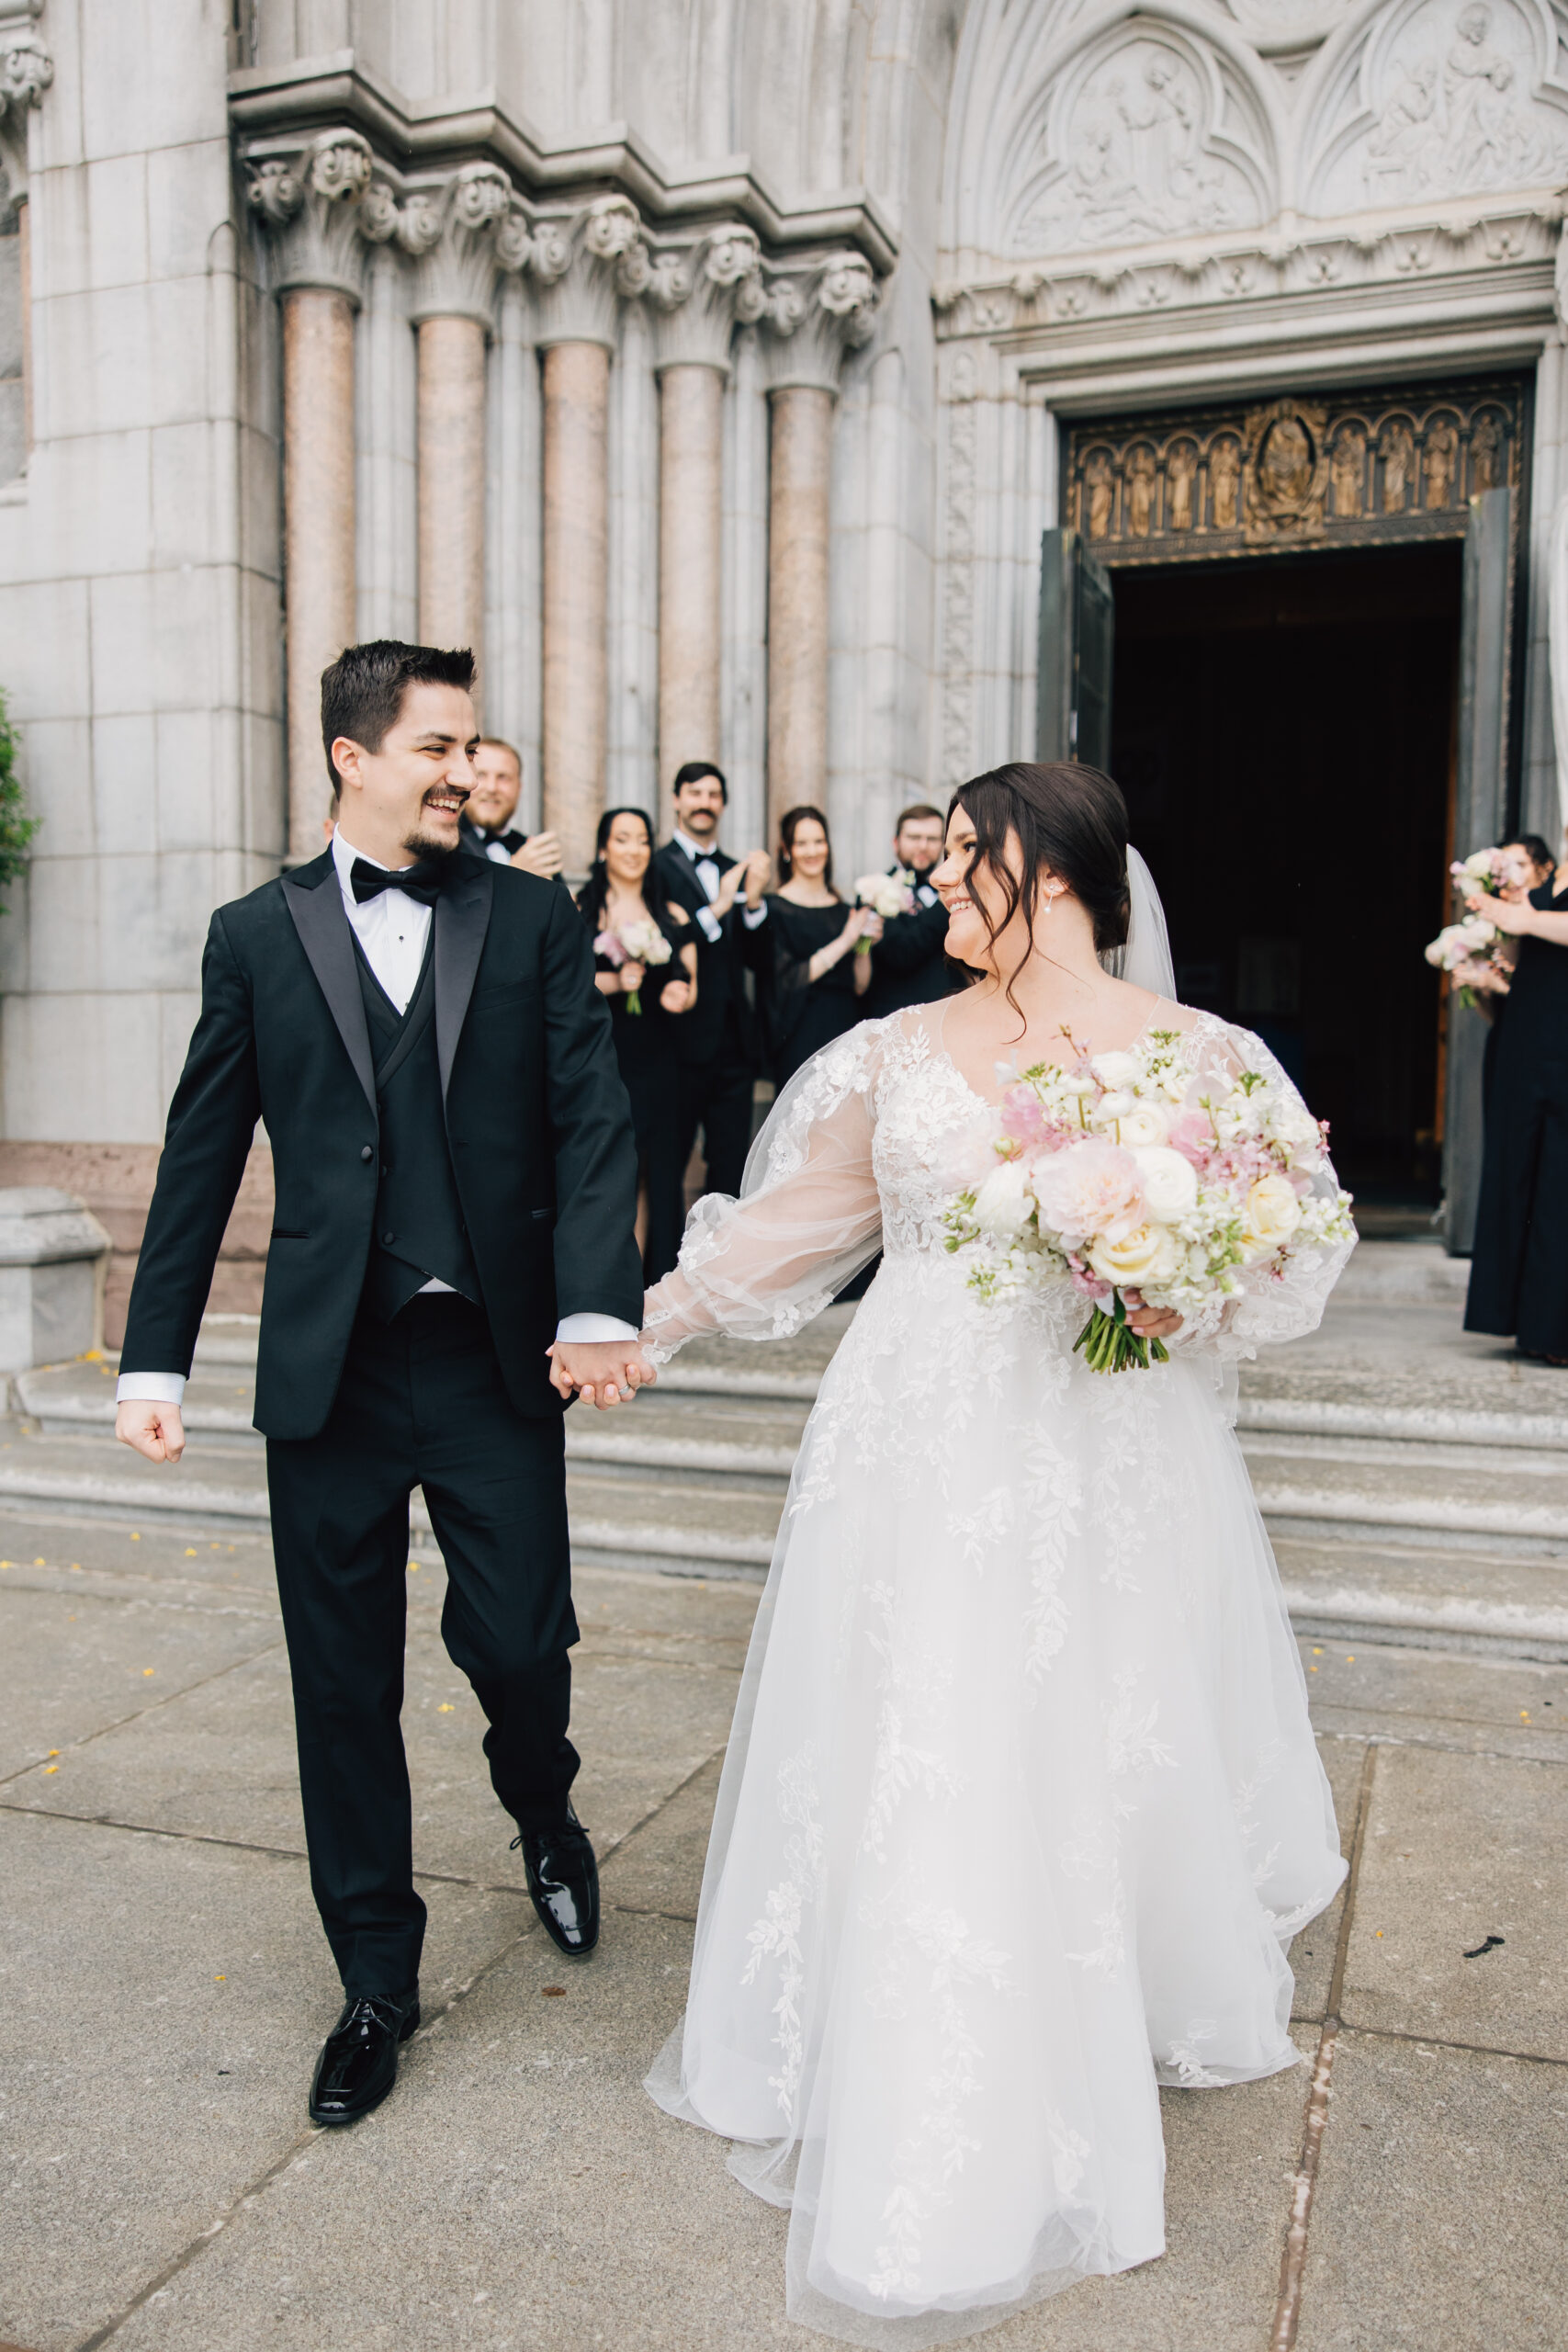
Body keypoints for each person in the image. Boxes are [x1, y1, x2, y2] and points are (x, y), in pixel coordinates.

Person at [638, 761, 1352, 2346]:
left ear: (1061, 873)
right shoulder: (893, 1055)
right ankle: (923, 2042)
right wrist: (645, 1334)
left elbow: (1290, 1251)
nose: (935, 884)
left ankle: (1101, 1999)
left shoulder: (1199, 1058)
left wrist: (1183, 1282)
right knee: (927, 1734)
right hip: (913, 1443)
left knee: (1095, 1722)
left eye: (965, 862)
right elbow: (789, 1232)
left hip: (1101, 1453)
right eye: (941, 861)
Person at [113, 640, 653, 2131]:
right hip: (330, 1376)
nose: (468, 771)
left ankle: (542, 1809)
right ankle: (374, 1981)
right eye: (439, 746)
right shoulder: (256, 935)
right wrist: (153, 1356)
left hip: (491, 1361)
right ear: (354, 755)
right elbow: (201, 1151)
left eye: (474, 747)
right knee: (339, 1688)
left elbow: (590, 1117)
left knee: (521, 1639)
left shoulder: (530, 916)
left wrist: (599, 1303)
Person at [577, 807, 698, 1281]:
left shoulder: (671, 913)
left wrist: (678, 994)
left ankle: (644, 1286)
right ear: (603, 848)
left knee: (656, 1174)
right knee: (612, 1173)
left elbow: (691, 986)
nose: (634, 850)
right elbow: (562, 984)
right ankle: (606, 1283)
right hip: (603, 1059)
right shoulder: (580, 908)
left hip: (660, 1059)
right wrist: (612, 981)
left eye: (642, 840)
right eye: (622, 839)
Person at [1462, 832, 1568, 1362]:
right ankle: (1519, 1320)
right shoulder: (1547, 885)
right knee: (1518, 1174)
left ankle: (1557, 1332)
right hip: (1524, 1043)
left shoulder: (1537, 908)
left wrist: (1522, 920)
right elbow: (1517, 952)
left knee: (1559, 1187)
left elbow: (1534, 927)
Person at [654, 762, 773, 1198]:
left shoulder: (737, 869)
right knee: (668, 1161)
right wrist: (720, 905)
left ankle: (724, 1262)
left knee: (731, 1167)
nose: (704, 802)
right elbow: (661, 946)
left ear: (722, 804)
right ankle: (665, 1265)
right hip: (675, 1041)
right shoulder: (654, 867)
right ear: (677, 799)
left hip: (732, 1047)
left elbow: (759, 962)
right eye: (695, 793)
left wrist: (755, 902)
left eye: (712, 795)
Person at [763, 805, 880, 1087]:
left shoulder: (843, 910)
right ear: (787, 850)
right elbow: (790, 979)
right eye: (802, 843)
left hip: (844, 1027)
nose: (812, 851)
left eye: (818, 841)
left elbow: (860, 985)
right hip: (799, 1032)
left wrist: (865, 945)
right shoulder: (774, 908)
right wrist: (846, 940)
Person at [864, 800, 959, 1018]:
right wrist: (944, 904)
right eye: (914, 838)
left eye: (932, 839)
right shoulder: (873, 889)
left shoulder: (953, 890)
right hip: (895, 1017)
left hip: (948, 1014)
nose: (923, 846)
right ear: (896, 842)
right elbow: (900, 953)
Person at [458, 735, 564, 879]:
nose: (492, 788)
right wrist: (515, 874)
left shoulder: (533, 852)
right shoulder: (445, 846)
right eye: (481, 775)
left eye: (503, 777)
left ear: (519, 788)